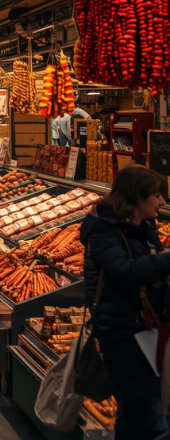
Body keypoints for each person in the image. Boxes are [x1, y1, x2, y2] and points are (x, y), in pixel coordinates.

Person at [80, 166, 170, 439]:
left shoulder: (144, 227)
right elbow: (126, 271)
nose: (162, 202)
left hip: (146, 330)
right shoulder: (105, 230)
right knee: (148, 415)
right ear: (137, 197)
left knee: (134, 414)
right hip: (122, 333)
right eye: (156, 195)